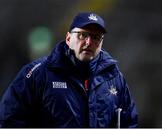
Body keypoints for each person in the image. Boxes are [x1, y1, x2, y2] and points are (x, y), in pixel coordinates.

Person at [0, 12, 138, 128]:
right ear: (68, 38)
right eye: (83, 35)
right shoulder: (38, 73)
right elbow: (9, 119)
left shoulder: (114, 77)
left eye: (96, 37)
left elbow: (130, 122)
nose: (89, 42)